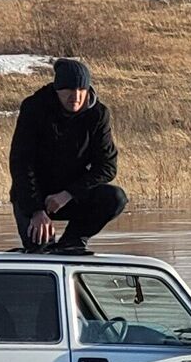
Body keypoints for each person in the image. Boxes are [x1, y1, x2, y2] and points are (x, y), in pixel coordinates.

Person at [8, 58, 127, 254]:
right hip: (34, 195)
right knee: (40, 252)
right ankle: (40, 248)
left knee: (115, 198)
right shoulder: (34, 108)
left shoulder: (98, 114)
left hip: (72, 195)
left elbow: (107, 166)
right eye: (69, 90)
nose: (76, 96)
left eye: (81, 90)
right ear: (57, 90)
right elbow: (21, 164)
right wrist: (36, 210)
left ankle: (72, 241)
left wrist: (69, 193)